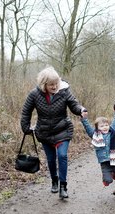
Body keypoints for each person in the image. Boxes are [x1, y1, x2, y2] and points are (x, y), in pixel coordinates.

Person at [21, 66, 86, 199]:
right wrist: (26, 127)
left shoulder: (64, 91)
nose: (55, 86)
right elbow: (26, 111)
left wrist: (81, 110)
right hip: (44, 132)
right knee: (51, 159)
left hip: (63, 129)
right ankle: (54, 180)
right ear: (44, 84)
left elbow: (74, 104)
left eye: (56, 83)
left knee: (62, 156)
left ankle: (63, 186)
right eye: (51, 84)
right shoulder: (34, 94)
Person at [80, 104, 115, 197]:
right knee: (108, 181)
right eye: (102, 126)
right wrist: (84, 119)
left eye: (106, 125)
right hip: (104, 162)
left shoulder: (112, 132)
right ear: (97, 128)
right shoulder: (95, 135)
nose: (105, 127)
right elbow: (88, 128)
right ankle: (108, 177)